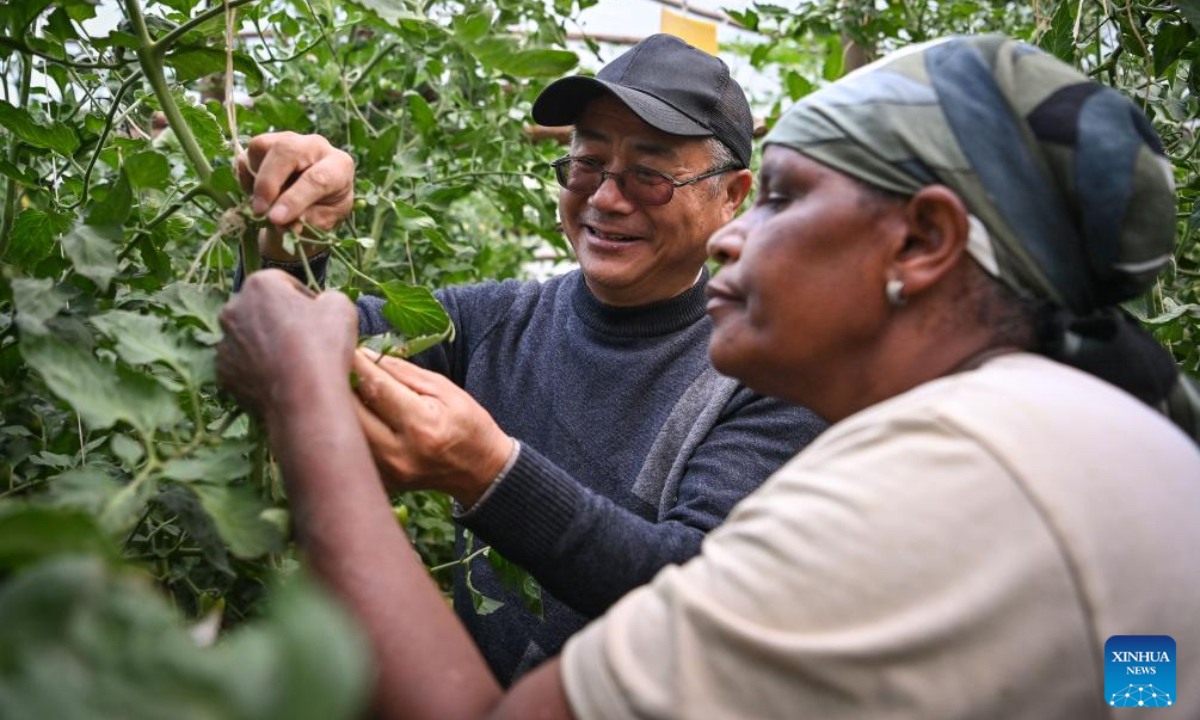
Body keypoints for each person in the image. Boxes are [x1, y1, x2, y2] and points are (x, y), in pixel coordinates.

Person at [217, 35, 1200, 719]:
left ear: (925, 239)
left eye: (776, 198)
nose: (737, 239)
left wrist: (450, 457)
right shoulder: (1093, 440)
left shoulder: (944, 471)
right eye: (584, 165)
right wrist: (289, 238)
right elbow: (1133, 677)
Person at [234, 33, 825, 684]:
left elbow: (700, 591)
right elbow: (298, 350)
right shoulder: (495, 322)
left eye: (650, 177)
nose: (604, 199)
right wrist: (294, 241)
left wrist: (490, 473)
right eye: (586, 165)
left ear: (732, 195)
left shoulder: (772, 377)